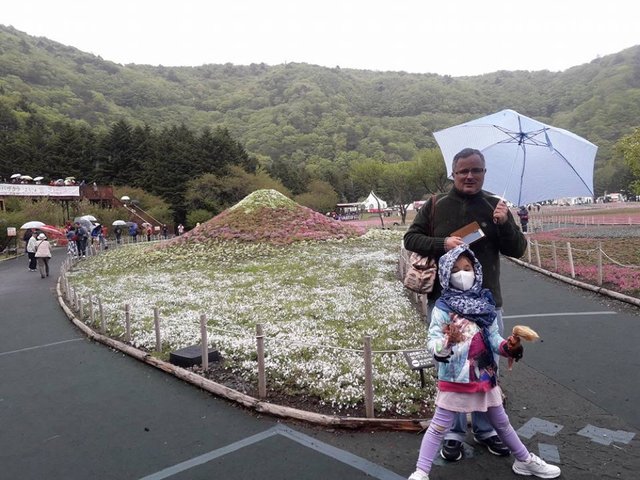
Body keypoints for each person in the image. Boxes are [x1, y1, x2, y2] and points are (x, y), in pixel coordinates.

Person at [404, 147, 527, 461]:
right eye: (463, 171)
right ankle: (454, 433)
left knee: (487, 368)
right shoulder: (435, 206)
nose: (470, 176)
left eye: (476, 170)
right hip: (446, 304)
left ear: (484, 173)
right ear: (454, 174)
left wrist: (504, 224)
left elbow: (518, 249)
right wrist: (442, 243)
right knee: (450, 367)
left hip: (487, 304)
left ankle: (486, 431)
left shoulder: (495, 206)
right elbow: (411, 238)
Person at [407, 246, 561, 480]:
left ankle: (525, 461)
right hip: (454, 378)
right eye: (456, 269)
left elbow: (494, 338)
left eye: (467, 268)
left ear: (476, 271)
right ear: (447, 274)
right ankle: (421, 472)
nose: (462, 273)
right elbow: (433, 341)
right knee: (439, 426)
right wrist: (446, 343)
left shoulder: (485, 303)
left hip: (484, 377)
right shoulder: (442, 307)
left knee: (501, 423)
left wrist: (508, 347)